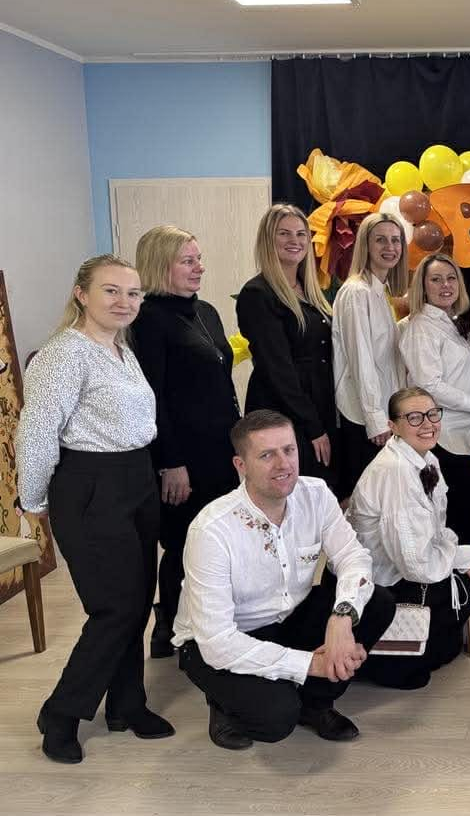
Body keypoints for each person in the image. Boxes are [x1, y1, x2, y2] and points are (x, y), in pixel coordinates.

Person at [16, 255, 174, 764]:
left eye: (133, 293)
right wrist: (33, 501)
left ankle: (127, 705)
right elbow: (36, 431)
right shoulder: (64, 355)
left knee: (137, 599)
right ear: (82, 294)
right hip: (89, 484)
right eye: (111, 291)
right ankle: (61, 713)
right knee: (115, 608)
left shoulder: (121, 350)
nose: (124, 302)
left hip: (136, 478)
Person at [172, 410, 397, 750]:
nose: (284, 464)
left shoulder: (315, 494)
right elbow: (217, 643)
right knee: (276, 717)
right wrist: (312, 664)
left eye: (289, 450)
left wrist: (342, 617)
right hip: (219, 641)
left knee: (377, 601)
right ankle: (224, 703)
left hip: (287, 617)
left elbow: (354, 558)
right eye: (267, 455)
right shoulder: (212, 530)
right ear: (241, 465)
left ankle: (315, 703)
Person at [131, 226, 240, 659]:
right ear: (161, 265)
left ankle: (209, 620)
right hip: (183, 456)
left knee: (214, 539)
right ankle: (169, 627)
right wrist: (170, 462)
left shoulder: (206, 312)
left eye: (199, 259)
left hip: (220, 449)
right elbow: (152, 397)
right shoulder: (147, 319)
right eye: (188, 261)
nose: (200, 268)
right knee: (183, 542)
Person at [348, 387, 470, 689]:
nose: (428, 424)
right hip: (381, 582)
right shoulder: (395, 471)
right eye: (414, 418)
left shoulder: (426, 459)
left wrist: (461, 558)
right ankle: (384, 655)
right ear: (393, 426)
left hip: (405, 565)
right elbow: (416, 564)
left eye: (432, 414)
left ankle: (424, 647)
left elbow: (435, 531)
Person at [236, 204, 338, 491]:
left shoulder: (309, 290)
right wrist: (312, 426)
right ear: (268, 240)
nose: (295, 241)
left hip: (316, 404)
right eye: (284, 234)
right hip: (284, 413)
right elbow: (277, 368)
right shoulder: (257, 294)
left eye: (301, 234)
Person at [401, 252, 470, 544]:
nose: (445, 285)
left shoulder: (451, 322)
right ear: (423, 286)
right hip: (443, 437)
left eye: (451, 278)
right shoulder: (421, 327)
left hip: (461, 434)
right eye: (436, 279)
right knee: (464, 521)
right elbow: (430, 385)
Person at [332, 212, 409, 499]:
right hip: (363, 418)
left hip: (383, 413)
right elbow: (361, 360)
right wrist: (375, 419)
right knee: (366, 504)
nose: (390, 247)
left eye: (395, 240)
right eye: (380, 240)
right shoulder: (356, 292)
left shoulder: (379, 291)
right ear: (365, 245)